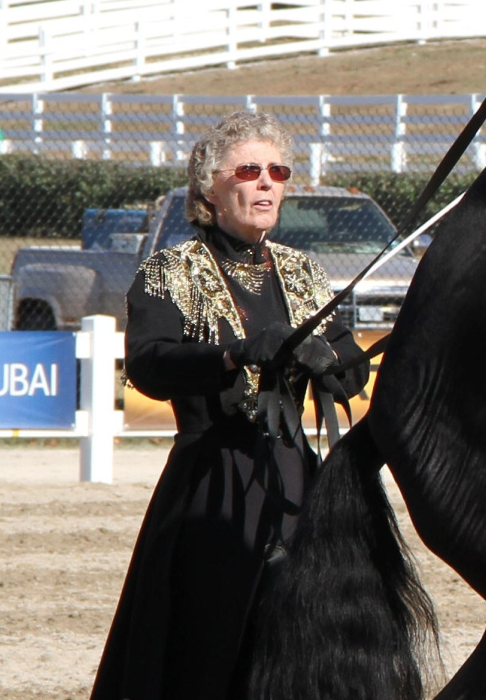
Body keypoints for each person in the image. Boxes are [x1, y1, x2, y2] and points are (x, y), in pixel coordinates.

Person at [93, 111, 369, 700]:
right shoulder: (170, 271)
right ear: (210, 188)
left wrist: (328, 360)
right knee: (207, 650)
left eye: (278, 171)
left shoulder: (303, 272)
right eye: (249, 170)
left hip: (296, 482)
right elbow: (149, 365)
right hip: (212, 483)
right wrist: (232, 354)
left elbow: (353, 369)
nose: (266, 182)